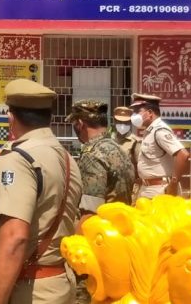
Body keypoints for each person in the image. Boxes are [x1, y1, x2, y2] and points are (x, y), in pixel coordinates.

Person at [0, 79, 82, 304]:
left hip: (30, 289)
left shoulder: (19, 159)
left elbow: (15, 238)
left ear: (11, 118)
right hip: (58, 282)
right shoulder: (66, 157)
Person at [67, 100, 134, 304]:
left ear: (80, 124)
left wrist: (73, 251)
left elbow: (90, 212)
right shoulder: (118, 149)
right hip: (119, 240)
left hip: (96, 245)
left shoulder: (93, 155)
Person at [130, 93, 189, 198]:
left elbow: (183, 155)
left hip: (160, 190)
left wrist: (173, 184)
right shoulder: (150, 131)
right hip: (148, 188)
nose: (134, 115)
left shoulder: (159, 131)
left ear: (150, 113)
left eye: (138, 111)